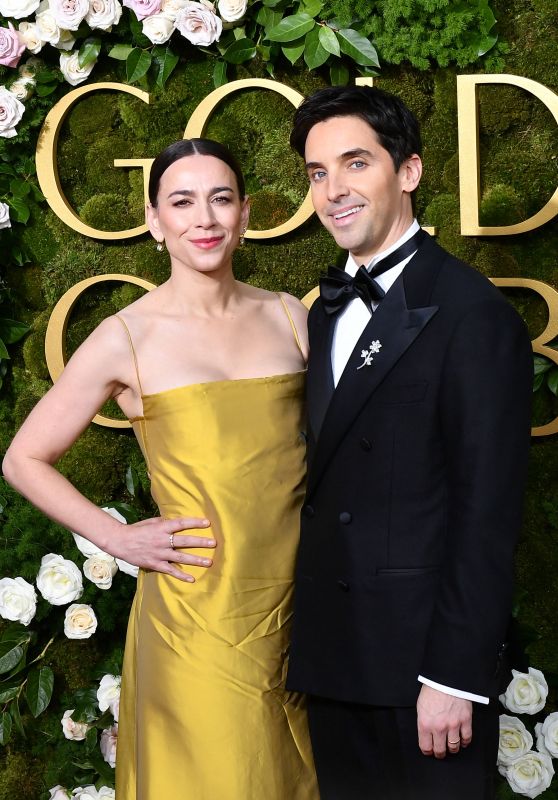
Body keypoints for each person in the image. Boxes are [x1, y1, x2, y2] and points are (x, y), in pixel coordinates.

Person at [2, 138, 318, 800]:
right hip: (196, 614)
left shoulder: (290, 316)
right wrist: (116, 538)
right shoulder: (127, 336)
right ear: (154, 221)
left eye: (220, 199)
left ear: (246, 214)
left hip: (303, 609)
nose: (203, 219)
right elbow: (23, 458)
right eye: (182, 202)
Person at [285, 85, 533, 800]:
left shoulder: (473, 314)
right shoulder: (327, 311)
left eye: (355, 164)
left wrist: (453, 677)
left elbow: (486, 513)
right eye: (318, 172)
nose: (333, 191)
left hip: (423, 675)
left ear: (410, 172)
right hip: (338, 663)